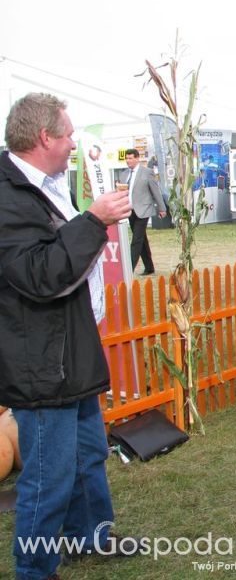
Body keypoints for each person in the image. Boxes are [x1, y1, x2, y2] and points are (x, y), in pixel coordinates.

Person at [0, 93, 138, 580]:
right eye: (68, 134)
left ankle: (90, 535)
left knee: (88, 453)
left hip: (70, 346)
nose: (74, 142)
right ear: (44, 138)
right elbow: (41, 274)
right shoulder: (7, 197)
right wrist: (95, 221)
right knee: (48, 475)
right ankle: (34, 570)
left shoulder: (46, 184)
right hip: (41, 362)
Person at [124, 147, 167, 275]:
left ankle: (128, 269)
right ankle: (149, 267)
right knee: (142, 239)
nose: (128, 161)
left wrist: (162, 208)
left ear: (137, 158)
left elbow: (155, 191)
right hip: (131, 211)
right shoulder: (124, 174)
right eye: (126, 158)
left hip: (144, 209)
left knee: (136, 240)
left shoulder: (147, 172)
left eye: (130, 158)